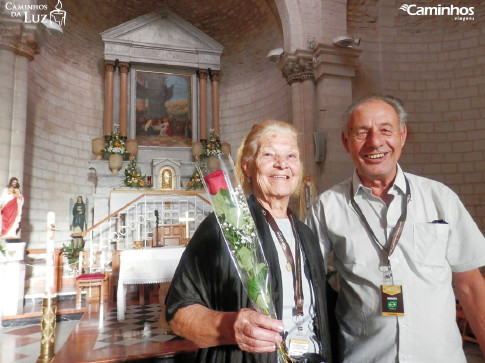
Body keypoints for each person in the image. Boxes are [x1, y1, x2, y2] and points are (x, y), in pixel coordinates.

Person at [306, 95, 485, 362]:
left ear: (402, 135)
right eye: (361, 132)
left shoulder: (439, 198)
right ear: (346, 142)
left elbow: (470, 286)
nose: (375, 142)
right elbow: (307, 287)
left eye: (386, 130)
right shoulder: (326, 207)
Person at [165, 120, 332, 362]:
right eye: (268, 154)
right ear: (247, 166)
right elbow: (178, 315)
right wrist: (229, 326)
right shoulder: (223, 227)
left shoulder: (307, 234)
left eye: (291, 156)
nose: (282, 164)